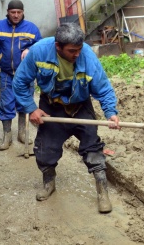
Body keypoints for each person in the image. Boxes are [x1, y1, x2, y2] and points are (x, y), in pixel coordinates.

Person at [13, 23, 120, 213]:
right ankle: (49, 183)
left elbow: (103, 88)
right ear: (57, 46)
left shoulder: (86, 56)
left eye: (79, 49)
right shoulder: (39, 52)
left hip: (80, 106)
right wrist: (31, 109)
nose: (77, 54)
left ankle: (102, 191)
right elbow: (20, 82)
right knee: (45, 150)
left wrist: (111, 113)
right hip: (51, 107)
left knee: (92, 147)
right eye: (72, 51)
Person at [0, 0, 42, 151]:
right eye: (13, 12)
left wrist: (31, 50)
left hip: (25, 75)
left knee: (24, 103)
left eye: (19, 12)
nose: (16, 15)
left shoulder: (31, 28)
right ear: (7, 12)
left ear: (23, 13)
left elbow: (40, 45)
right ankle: (7, 135)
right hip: (7, 74)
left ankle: (22, 132)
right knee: (6, 103)